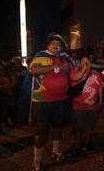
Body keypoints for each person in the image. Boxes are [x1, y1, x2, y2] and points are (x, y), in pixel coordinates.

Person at [29, 33, 73, 171]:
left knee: (58, 127)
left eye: (59, 44)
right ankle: (37, 161)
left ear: (61, 48)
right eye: (53, 43)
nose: (56, 46)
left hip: (61, 100)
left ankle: (55, 152)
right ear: (48, 45)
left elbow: (71, 70)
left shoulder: (65, 58)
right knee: (41, 130)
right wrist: (53, 68)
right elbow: (33, 70)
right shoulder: (40, 56)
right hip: (42, 100)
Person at [70, 56, 104, 159]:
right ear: (80, 63)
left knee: (89, 127)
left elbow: (100, 88)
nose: (86, 63)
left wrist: (101, 101)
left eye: (87, 61)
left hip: (92, 107)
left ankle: (87, 143)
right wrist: (83, 69)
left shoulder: (96, 74)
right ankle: (78, 147)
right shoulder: (75, 72)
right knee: (78, 129)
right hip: (78, 107)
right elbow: (74, 78)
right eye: (83, 61)